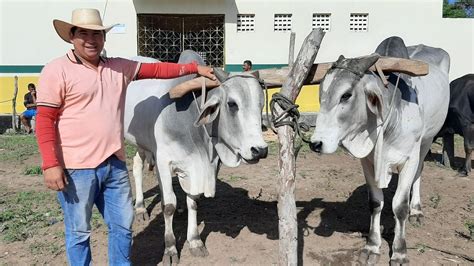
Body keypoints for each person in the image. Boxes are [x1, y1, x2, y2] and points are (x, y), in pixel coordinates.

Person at [35, 8, 215, 266]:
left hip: (114, 166)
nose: (90, 39)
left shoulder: (118, 67)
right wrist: (51, 164)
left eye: (96, 34)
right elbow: (44, 119)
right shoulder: (56, 70)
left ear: (104, 38)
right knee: (79, 233)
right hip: (76, 170)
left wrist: (194, 67)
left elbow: (159, 71)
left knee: (122, 228)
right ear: (71, 36)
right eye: (83, 33)